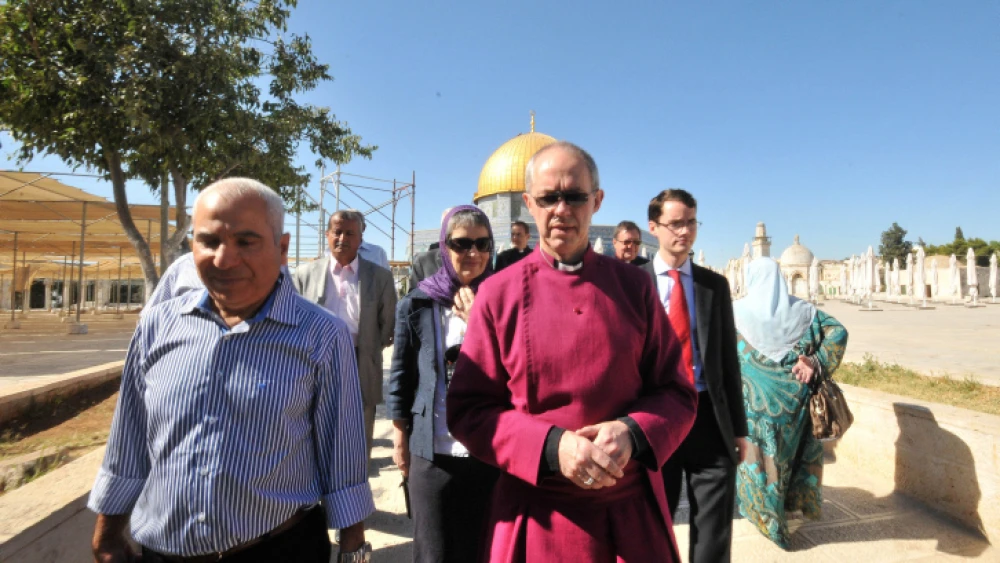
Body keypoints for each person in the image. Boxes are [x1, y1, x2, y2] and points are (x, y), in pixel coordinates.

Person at [88, 178, 374, 563]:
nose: (224, 259)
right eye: (209, 242)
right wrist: (107, 535)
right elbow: (130, 439)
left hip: (278, 549)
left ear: (282, 249)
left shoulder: (321, 335)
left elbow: (342, 455)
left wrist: (353, 549)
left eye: (245, 241)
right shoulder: (156, 325)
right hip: (161, 552)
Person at [447, 142, 697, 563]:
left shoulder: (635, 288)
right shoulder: (496, 295)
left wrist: (633, 432)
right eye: (548, 198)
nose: (561, 209)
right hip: (535, 512)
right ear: (529, 204)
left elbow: (677, 392)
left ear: (597, 201)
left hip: (627, 512)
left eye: (574, 196)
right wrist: (550, 447)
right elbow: (469, 410)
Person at [387, 205, 501, 562]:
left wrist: (480, 320)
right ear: (443, 247)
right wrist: (400, 436)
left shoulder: (503, 300)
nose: (474, 254)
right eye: (462, 244)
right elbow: (402, 374)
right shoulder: (418, 302)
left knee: (484, 548)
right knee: (434, 551)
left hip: (491, 451)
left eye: (483, 245)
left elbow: (519, 373)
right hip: (432, 449)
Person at [642, 188, 747, 563]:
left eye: (690, 222)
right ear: (653, 227)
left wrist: (738, 428)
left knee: (715, 524)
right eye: (675, 224)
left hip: (708, 416)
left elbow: (727, 361)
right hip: (656, 417)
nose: (684, 232)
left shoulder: (712, 285)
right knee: (654, 520)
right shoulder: (633, 282)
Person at [733, 257, 848, 548]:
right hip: (794, 401)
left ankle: (770, 521)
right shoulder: (805, 312)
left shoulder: (734, 312)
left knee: (759, 461)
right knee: (786, 458)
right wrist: (816, 362)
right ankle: (787, 507)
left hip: (751, 402)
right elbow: (839, 332)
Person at [294, 209, 397, 466]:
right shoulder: (304, 275)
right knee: (313, 427)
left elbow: (388, 322)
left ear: (361, 238)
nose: (342, 238)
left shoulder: (380, 277)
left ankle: (354, 495)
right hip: (315, 360)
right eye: (337, 232)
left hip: (360, 359)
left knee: (359, 430)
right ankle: (316, 497)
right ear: (327, 235)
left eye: (350, 233)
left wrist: (370, 347)